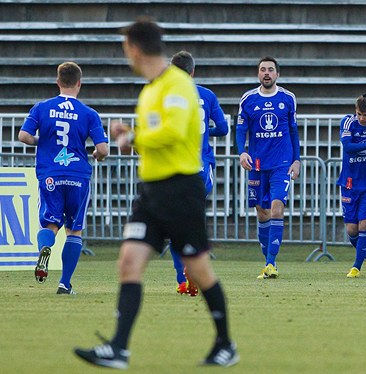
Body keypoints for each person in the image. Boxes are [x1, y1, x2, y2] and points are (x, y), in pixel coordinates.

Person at [74, 18, 238, 369]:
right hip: (151, 192)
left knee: (200, 271)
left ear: (134, 48)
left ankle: (225, 344)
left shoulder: (177, 84)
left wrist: (132, 138)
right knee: (128, 262)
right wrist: (129, 135)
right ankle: (118, 348)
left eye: (125, 49)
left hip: (180, 188)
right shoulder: (150, 90)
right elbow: (155, 134)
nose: (126, 56)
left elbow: (176, 131)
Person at [18, 61, 109, 294]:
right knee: (74, 230)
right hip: (78, 175)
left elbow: (24, 136)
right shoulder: (89, 114)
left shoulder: (41, 107)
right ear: (79, 83)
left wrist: (41, 141)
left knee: (50, 223)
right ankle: (64, 283)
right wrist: (97, 155)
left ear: (58, 82)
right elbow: (103, 149)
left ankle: (45, 249)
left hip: (51, 174)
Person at [168, 50, 229, 296]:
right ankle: (197, 272)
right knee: (195, 221)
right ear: (193, 72)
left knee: (174, 223)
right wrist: (204, 134)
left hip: (175, 166)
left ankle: (181, 278)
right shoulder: (207, 95)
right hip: (202, 167)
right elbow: (223, 128)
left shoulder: (168, 96)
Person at [236, 56, 301, 279]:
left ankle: (271, 263)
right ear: (258, 74)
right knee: (262, 213)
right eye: (263, 69)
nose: (266, 73)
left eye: (270, 70)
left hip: (282, 163)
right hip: (257, 163)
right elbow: (240, 130)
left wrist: (297, 160)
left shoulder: (288, 98)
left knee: (276, 208)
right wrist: (242, 151)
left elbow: (293, 131)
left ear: (277, 74)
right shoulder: (248, 99)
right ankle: (267, 258)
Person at [336, 94, 366, 278]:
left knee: (364, 225)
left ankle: (356, 267)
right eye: (359, 114)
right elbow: (348, 147)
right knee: (351, 229)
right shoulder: (348, 122)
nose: (362, 118)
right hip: (349, 183)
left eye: (365, 115)